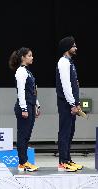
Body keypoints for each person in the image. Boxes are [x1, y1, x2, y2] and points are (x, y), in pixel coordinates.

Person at [8, 47, 40, 172]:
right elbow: (21, 92)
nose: (32, 58)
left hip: (30, 105)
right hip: (24, 107)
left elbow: (32, 91)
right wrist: (24, 108)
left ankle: (25, 161)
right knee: (22, 135)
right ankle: (22, 163)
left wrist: (37, 105)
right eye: (30, 55)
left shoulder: (28, 72)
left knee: (27, 136)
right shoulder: (20, 71)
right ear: (23, 57)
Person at [56, 36, 83, 172]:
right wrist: (72, 104)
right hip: (66, 104)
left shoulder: (69, 62)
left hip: (71, 103)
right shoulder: (63, 63)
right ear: (67, 48)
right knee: (65, 132)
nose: (76, 48)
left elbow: (74, 85)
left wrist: (77, 103)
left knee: (70, 132)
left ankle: (68, 159)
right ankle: (63, 161)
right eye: (74, 46)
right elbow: (66, 86)